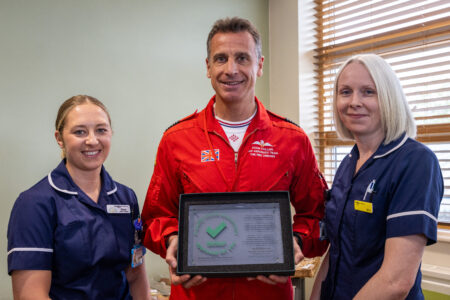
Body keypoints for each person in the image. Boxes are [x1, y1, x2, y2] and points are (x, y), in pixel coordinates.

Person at [141, 17, 328, 300]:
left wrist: (296, 242)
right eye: (221, 59)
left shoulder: (292, 140)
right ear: (208, 67)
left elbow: (318, 214)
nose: (231, 70)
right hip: (197, 293)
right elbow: (156, 216)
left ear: (260, 65)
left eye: (242, 58)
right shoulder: (176, 139)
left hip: (268, 293)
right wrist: (173, 240)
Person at [311, 54, 443, 300]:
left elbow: (396, 282)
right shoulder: (349, 163)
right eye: (345, 91)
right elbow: (335, 249)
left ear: (389, 97)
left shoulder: (415, 163)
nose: (354, 102)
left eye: (368, 92)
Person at [7, 95, 151, 299]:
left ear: (111, 133)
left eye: (101, 130)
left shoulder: (125, 198)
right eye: (79, 132)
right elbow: (30, 294)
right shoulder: (34, 204)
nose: (92, 140)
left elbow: (135, 275)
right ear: (59, 138)